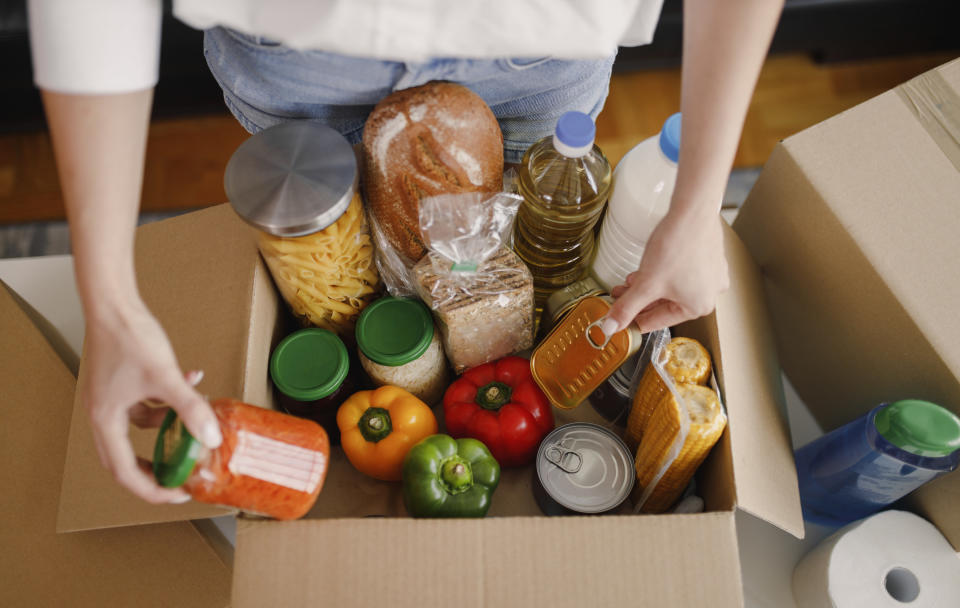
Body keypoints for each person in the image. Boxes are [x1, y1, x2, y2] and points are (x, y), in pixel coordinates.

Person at [29, 0, 784, 503]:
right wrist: (110, 301)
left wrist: (697, 202)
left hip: (537, 50)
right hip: (301, 54)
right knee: (323, 231)